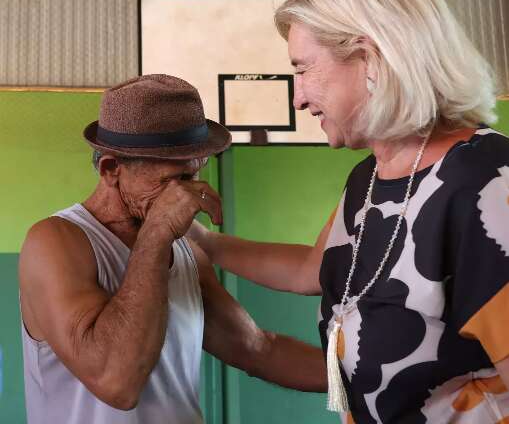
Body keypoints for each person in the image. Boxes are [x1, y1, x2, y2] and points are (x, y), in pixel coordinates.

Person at [188, 0, 509, 424]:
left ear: (370, 56)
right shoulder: (371, 176)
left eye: (303, 69)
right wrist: (203, 241)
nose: (297, 97)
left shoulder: (484, 182)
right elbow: (311, 270)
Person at [18, 74, 327, 424]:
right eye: (172, 181)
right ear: (110, 169)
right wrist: (156, 234)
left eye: (193, 176)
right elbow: (117, 383)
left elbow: (257, 349)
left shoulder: (187, 251)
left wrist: (369, 377)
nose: (188, 195)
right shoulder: (56, 241)